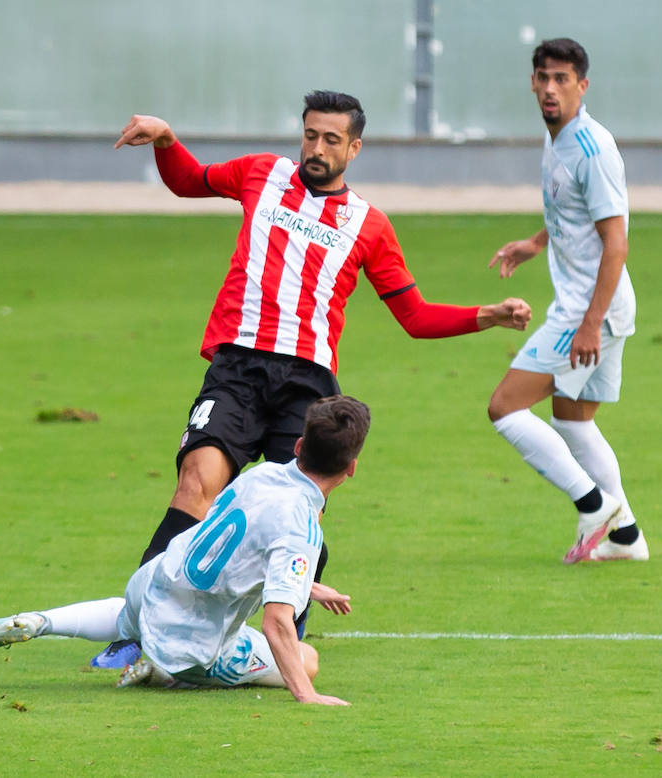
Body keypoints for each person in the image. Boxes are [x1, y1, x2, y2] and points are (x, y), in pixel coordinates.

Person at [92, 90, 533, 668]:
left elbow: (415, 316)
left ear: (354, 147)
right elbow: (189, 181)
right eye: (310, 135)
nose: (317, 149)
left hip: (307, 387)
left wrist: (487, 316)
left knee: (296, 515)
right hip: (238, 368)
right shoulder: (262, 174)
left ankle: (285, 646)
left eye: (331, 140)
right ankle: (140, 630)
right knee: (195, 485)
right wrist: (168, 140)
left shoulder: (369, 225)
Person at [0, 395, 372, 706]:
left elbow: (245, 550)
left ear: (298, 447)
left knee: (123, 615)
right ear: (351, 468)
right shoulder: (301, 526)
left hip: (154, 579)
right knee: (307, 659)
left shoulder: (263, 475)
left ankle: (40, 621)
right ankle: (165, 670)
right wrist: (308, 695)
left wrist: (307, 587)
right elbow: (278, 621)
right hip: (190, 639)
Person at [485, 38, 647, 564]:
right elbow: (569, 211)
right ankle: (626, 540)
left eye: (562, 79)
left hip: (588, 310)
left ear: (583, 84)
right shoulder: (558, 137)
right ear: (533, 81)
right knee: (573, 419)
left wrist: (589, 324)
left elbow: (616, 241)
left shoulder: (594, 150)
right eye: (543, 78)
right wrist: (535, 243)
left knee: (504, 407)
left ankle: (595, 505)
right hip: (598, 307)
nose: (551, 88)